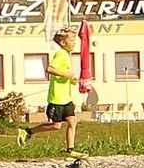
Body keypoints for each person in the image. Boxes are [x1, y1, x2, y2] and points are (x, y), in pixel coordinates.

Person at [18, 29, 91, 158]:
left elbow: (62, 74)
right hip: (57, 98)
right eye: (72, 40)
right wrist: (67, 74)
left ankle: (70, 150)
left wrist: (71, 79)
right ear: (63, 42)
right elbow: (50, 69)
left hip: (66, 98)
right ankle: (27, 131)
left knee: (73, 121)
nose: (74, 43)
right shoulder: (61, 54)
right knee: (56, 126)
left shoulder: (67, 54)